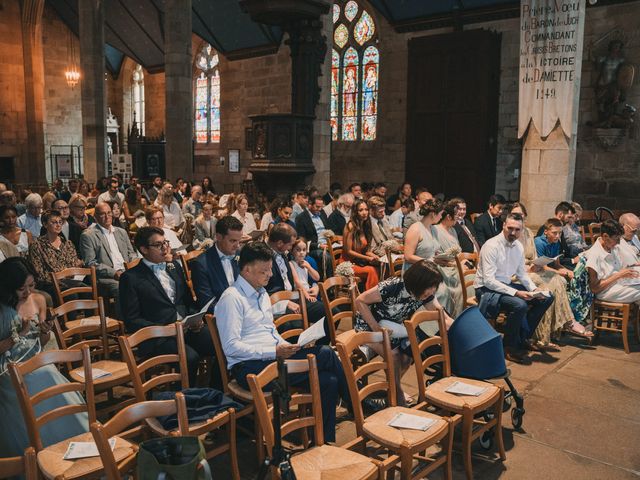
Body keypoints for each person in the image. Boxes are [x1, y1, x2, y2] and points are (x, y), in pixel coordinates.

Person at [214, 241, 350, 443]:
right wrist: (274, 351)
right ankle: (356, 405)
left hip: (273, 359)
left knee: (328, 380)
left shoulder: (260, 293)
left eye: (270, 269)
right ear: (247, 269)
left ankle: (323, 440)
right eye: (265, 271)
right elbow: (231, 347)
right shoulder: (232, 298)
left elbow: (269, 330)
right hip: (249, 368)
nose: (270, 274)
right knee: (325, 353)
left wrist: (289, 345)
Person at [0, 257, 88, 459]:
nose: (28, 292)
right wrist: (19, 334)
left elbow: (42, 339)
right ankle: (46, 450)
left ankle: (76, 440)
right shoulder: (1, 309)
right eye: (22, 288)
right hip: (8, 366)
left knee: (48, 372)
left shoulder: (38, 300)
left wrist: (45, 330)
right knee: (44, 374)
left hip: (36, 359)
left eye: (31, 285)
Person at [119, 227, 215, 387]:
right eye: (158, 245)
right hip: (158, 337)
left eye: (166, 243)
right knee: (189, 358)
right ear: (144, 249)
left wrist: (195, 318)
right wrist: (164, 329)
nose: (165, 248)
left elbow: (188, 301)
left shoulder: (174, 267)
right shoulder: (130, 278)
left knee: (219, 343)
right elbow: (132, 320)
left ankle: (214, 390)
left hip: (186, 328)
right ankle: (183, 401)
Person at [355, 260, 452, 406]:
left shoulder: (424, 294)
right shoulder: (392, 287)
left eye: (434, 286)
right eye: (430, 286)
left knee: (407, 354)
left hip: (393, 328)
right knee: (393, 355)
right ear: (418, 283)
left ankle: (393, 387)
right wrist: (376, 329)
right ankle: (397, 394)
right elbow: (360, 300)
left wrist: (458, 326)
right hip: (368, 326)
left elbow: (441, 315)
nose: (432, 290)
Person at [474, 213, 554, 364]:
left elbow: (522, 274)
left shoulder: (518, 246)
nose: (513, 233)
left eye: (517, 230)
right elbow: (489, 281)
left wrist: (533, 289)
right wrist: (517, 292)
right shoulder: (491, 245)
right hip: (486, 289)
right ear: (504, 225)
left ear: (522, 230)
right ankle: (509, 347)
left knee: (546, 298)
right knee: (520, 304)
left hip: (505, 285)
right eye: (510, 228)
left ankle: (522, 338)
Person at [504, 203, 589, 344]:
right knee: (550, 285)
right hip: (515, 274)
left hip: (531, 270)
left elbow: (535, 258)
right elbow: (507, 263)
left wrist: (536, 265)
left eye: (521, 215)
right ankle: (555, 328)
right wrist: (525, 267)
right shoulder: (509, 236)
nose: (518, 218)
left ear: (525, 216)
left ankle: (550, 331)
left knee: (559, 281)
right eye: (515, 215)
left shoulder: (529, 233)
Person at [80, 203, 137, 318]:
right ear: (95, 216)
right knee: (121, 287)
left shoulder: (121, 232)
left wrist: (133, 265)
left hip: (127, 270)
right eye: (102, 214)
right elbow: (90, 263)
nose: (107, 217)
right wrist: (114, 273)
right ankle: (124, 323)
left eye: (109, 213)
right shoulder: (88, 235)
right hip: (106, 277)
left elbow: (132, 253)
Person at [404, 199, 458, 315]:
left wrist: (443, 259)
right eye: (440, 214)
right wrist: (429, 261)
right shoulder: (415, 228)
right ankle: (433, 324)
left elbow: (434, 252)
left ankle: (445, 322)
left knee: (449, 287)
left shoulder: (433, 229)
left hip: (431, 269)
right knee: (441, 292)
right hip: (416, 271)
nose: (441, 217)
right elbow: (408, 256)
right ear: (433, 214)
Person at [266, 223, 327, 326]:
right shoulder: (265, 256)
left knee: (330, 311)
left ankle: (321, 342)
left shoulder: (283, 253)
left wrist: (315, 287)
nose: (290, 248)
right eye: (290, 245)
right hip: (278, 302)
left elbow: (309, 279)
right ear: (280, 243)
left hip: (295, 296)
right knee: (296, 326)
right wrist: (285, 302)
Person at [27, 209, 85, 301]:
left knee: (87, 291)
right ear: (45, 224)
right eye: (54, 222)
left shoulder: (67, 243)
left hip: (70, 281)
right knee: (71, 295)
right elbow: (39, 274)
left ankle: (92, 315)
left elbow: (73, 265)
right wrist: (59, 278)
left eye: (60, 222)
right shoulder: (37, 245)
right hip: (50, 284)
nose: (58, 225)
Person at [191, 216, 243, 312]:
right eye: (233, 241)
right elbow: (207, 303)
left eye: (239, 241)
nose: (237, 246)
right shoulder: (201, 264)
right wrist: (235, 311)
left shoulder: (240, 254)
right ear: (218, 237)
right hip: (222, 317)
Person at [586, 220, 640, 304]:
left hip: (620, 284)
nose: (618, 242)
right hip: (606, 291)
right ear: (605, 236)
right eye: (616, 239)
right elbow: (594, 288)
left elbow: (617, 268)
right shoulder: (595, 254)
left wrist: (631, 268)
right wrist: (619, 275)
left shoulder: (612, 248)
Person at [433, 202, 464, 317]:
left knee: (472, 279)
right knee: (462, 284)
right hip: (443, 266)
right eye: (456, 215)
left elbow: (458, 251)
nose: (458, 218)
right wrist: (452, 262)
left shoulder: (453, 230)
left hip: (456, 265)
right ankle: (454, 316)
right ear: (448, 217)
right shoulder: (435, 230)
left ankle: (464, 315)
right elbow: (436, 253)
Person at [342, 200, 380, 290]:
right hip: (348, 263)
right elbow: (349, 251)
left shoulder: (365, 225)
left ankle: (383, 296)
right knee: (371, 270)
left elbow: (366, 250)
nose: (364, 213)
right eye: (361, 210)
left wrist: (374, 256)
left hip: (359, 261)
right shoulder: (351, 226)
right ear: (355, 212)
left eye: (366, 209)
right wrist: (367, 258)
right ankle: (370, 300)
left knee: (382, 266)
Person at [294, 194, 332, 276]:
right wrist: (319, 245)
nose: (320, 209)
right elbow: (302, 240)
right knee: (326, 257)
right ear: (310, 205)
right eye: (317, 207)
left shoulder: (322, 213)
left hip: (328, 243)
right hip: (314, 247)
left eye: (321, 207)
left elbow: (328, 229)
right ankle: (328, 284)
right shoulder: (301, 218)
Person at [535, 201, 578, 269]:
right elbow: (542, 263)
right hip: (545, 266)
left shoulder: (560, 230)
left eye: (559, 233)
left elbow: (563, 252)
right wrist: (572, 261)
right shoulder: (545, 230)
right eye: (569, 217)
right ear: (560, 214)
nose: (570, 220)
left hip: (558, 263)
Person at [289, 238, 320, 303]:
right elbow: (297, 283)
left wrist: (309, 267)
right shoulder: (291, 264)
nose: (302, 252)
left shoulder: (306, 263)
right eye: (298, 250)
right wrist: (307, 296)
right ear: (291, 251)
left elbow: (317, 278)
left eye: (304, 250)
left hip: (307, 290)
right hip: (298, 293)